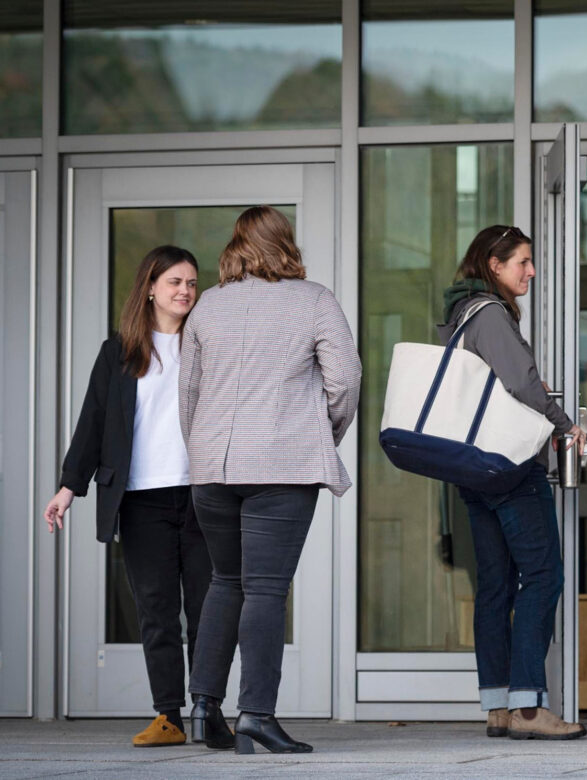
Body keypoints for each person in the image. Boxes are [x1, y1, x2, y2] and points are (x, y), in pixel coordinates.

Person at [180, 206, 362, 754]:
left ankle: (203, 707)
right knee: (264, 588)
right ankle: (256, 714)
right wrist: (321, 432)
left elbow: (188, 392)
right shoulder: (314, 300)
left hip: (213, 466)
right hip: (281, 463)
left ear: (236, 245)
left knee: (224, 580)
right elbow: (345, 380)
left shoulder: (208, 305)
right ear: (285, 243)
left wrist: (202, 447)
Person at [44, 246, 209, 748]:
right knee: (157, 611)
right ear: (151, 287)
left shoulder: (208, 344)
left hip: (203, 496)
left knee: (208, 609)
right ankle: (169, 716)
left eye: (192, 283)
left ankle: (209, 710)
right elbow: (93, 422)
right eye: (175, 282)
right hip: (140, 501)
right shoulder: (118, 352)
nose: (185, 291)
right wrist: (69, 486)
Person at [437, 225, 587, 741]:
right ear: (494, 265)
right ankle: (528, 705)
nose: (532, 271)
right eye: (522, 261)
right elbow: (521, 382)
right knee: (542, 576)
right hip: (509, 465)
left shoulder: (459, 315)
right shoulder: (490, 314)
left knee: (495, 585)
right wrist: (565, 425)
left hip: (473, 468)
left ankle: (497, 706)